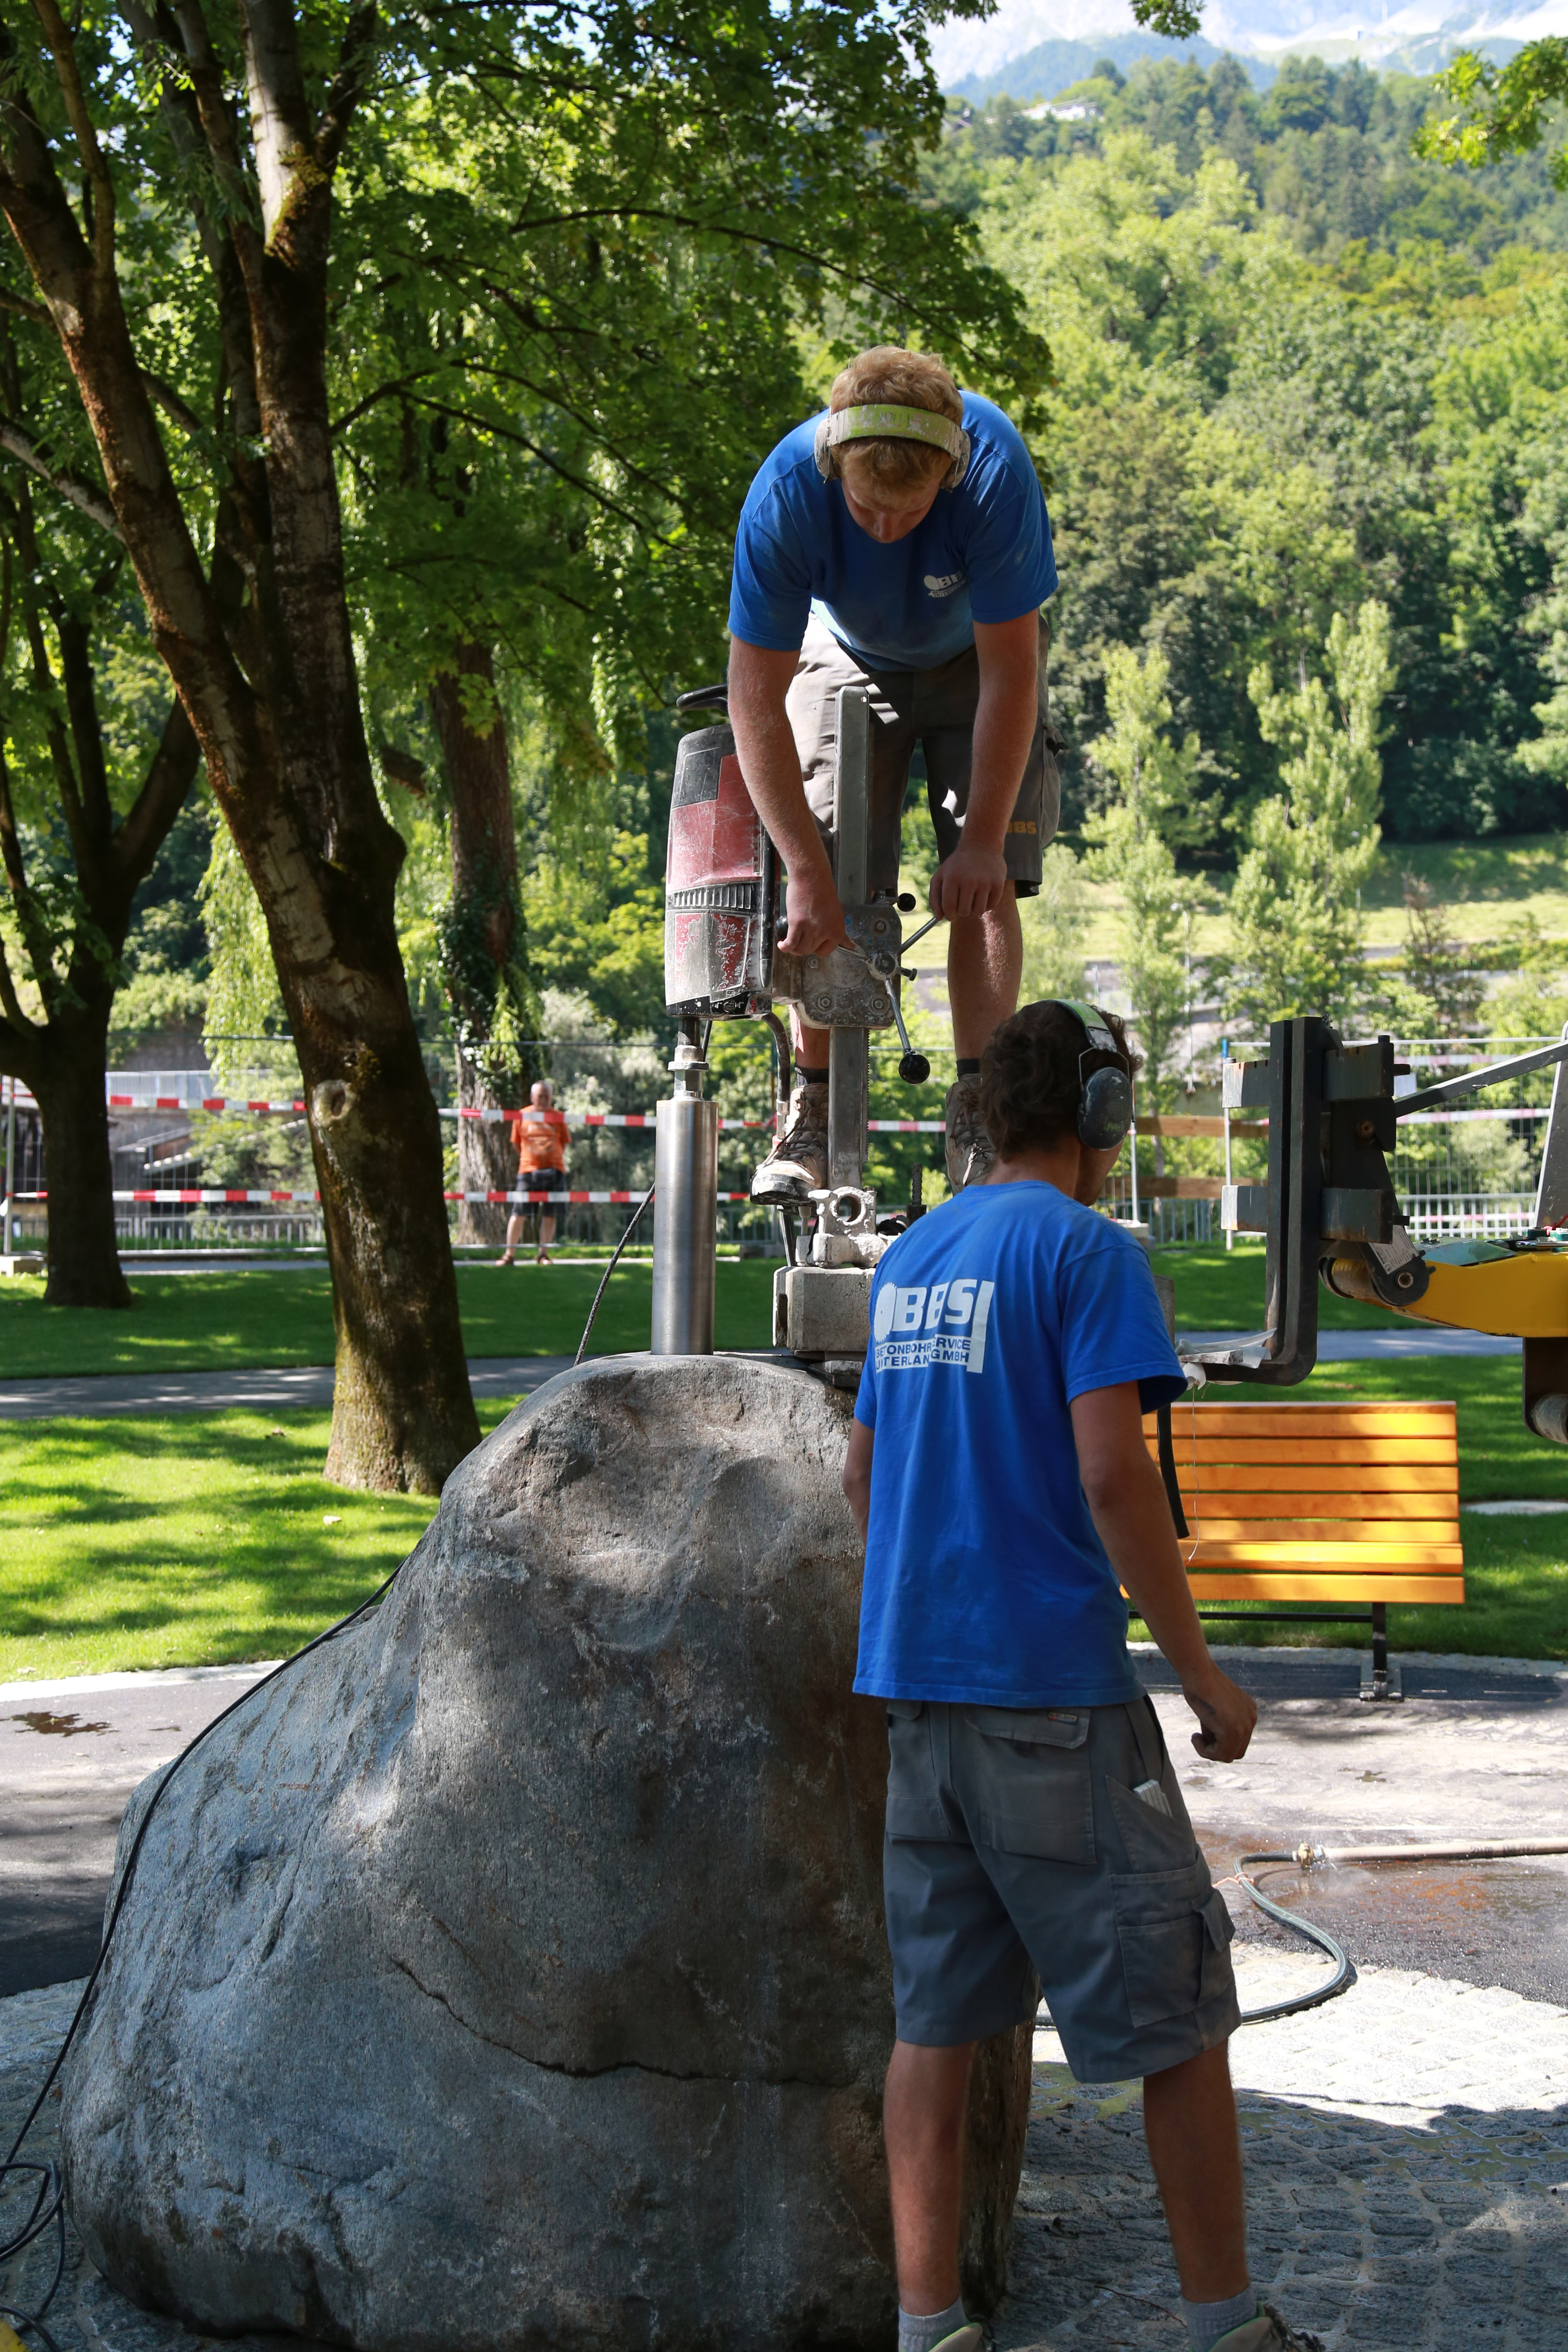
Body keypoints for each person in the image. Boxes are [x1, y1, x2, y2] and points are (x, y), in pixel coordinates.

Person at [840, 1000, 1321, 2352]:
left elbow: (863, 1478)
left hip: (919, 1704)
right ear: (1100, 1114)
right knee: (1179, 2012)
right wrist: (1202, 1676)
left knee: (935, 2026)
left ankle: (929, 2331)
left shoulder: (911, 1258)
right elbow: (1114, 1478)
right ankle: (1227, 2330)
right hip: (1052, 1702)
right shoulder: (1086, 1253)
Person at [726, 346, 1060, 1203]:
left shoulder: (993, 473)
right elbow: (753, 703)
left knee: (986, 883)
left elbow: (1011, 674)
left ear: (950, 472)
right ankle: (813, 1108)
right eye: (866, 509)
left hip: (976, 660)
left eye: (908, 512)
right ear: (834, 464)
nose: (884, 531)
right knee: (827, 865)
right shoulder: (785, 494)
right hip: (843, 648)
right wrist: (806, 871)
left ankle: (980, 1110)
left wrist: (981, 843)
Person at [497, 1079, 569, 1267]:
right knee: (518, 1213)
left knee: (550, 1214)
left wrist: (550, 1158)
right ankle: (509, 1255)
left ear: (551, 1097)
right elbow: (516, 1144)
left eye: (547, 1097)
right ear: (532, 1097)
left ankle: (543, 1254)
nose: (544, 1100)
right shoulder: (522, 1115)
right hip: (528, 1172)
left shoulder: (558, 1117)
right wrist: (533, 1159)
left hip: (555, 1171)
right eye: (540, 1096)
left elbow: (564, 1143)